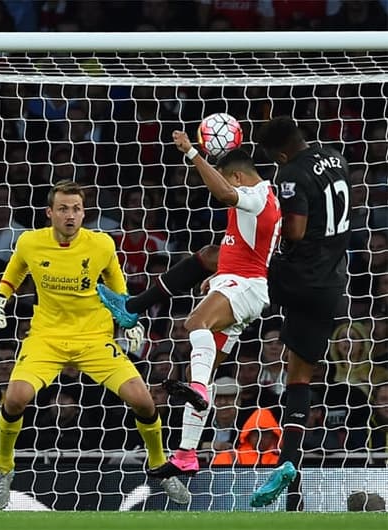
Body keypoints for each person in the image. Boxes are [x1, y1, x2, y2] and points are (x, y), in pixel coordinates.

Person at [0, 179, 190, 509]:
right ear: (50, 212)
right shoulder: (30, 243)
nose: (70, 215)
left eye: (76, 209)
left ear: (84, 212)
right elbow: (15, 272)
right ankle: (4, 470)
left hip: (94, 337)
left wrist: (130, 321)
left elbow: (119, 289)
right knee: (15, 397)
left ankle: (160, 466)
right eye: (63, 209)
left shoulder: (102, 244)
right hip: (47, 337)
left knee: (144, 401)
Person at [125, 136, 281, 482]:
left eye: (228, 179)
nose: (226, 186)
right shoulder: (258, 204)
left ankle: (197, 390)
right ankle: (186, 454)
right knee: (206, 370)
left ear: (237, 177)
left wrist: (193, 153)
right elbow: (242, 247)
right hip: (240, 286)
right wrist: (221, 275)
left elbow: (225, 193)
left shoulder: (255, 197)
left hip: (245, 287)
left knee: (195, 324)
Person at [249, 116, 351, 508]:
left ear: (278, 154)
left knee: (226, 268)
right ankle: (289, 467)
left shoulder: (290, 173)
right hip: (330, 282)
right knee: (298, 379)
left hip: (296, 275)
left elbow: (293, 231)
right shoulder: (337, 158)